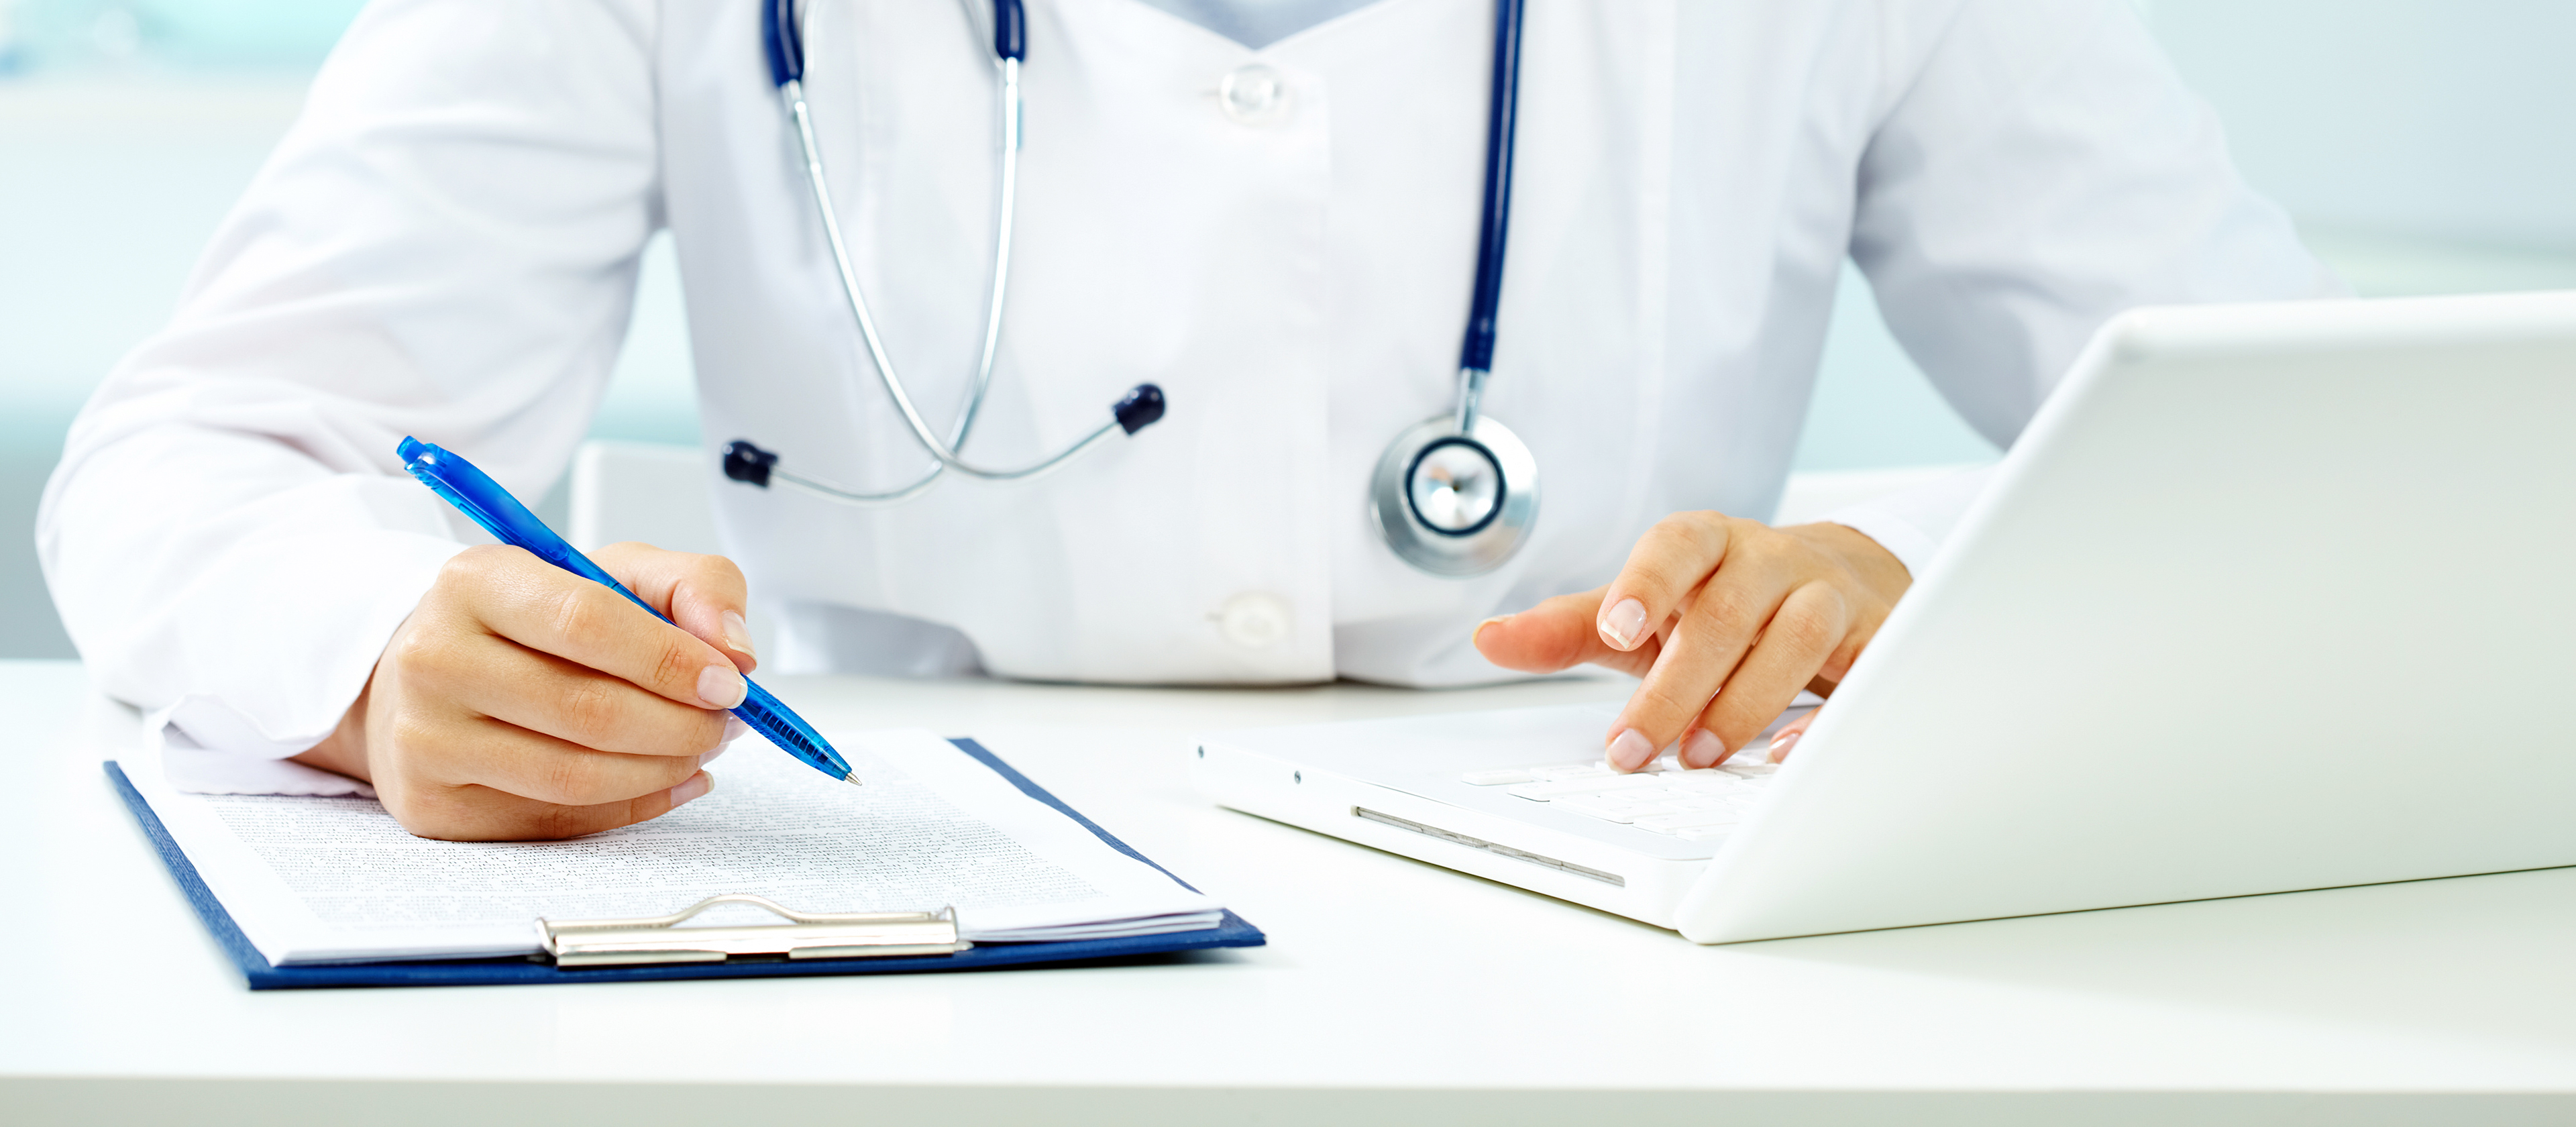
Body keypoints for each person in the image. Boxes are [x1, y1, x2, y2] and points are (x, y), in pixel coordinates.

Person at [38, 0, 2334, 840]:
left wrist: (1922, 579)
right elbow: (202, 456)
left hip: (1647, 975)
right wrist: (376, 662)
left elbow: (2305, 447)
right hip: (882, 972)